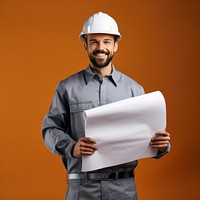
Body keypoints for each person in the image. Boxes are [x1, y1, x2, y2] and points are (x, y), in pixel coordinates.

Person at [42, 12, 171, 200]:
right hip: (81, 189)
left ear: (115, 46)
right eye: (94, 41)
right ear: (85, 44)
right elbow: (50, 129)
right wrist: (71, 147)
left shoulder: (134, 89)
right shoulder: (67, 88)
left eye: (106, 42)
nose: (100, 47)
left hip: (123, 190)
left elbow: (146, 137)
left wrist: (161, 146)